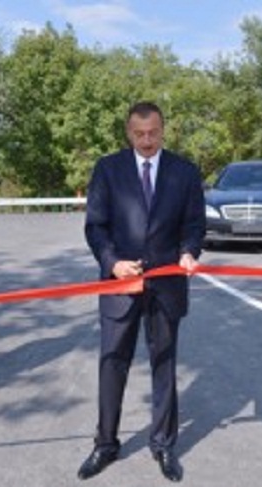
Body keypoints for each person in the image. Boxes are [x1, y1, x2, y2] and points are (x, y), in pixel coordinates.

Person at [79, 102, 206, 482]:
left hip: (166, 286)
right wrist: (112, 261)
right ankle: (105, 444)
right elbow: (95, 227)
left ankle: (164, 444)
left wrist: (188, 252)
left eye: (153, 133)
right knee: (112, 362)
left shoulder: (185, 172)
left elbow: (195, 225)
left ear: (163, 130)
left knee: (164, 363)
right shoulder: (108, 169)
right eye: (139, 134)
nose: (147, 140)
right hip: (120, 284)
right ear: (128, 133)